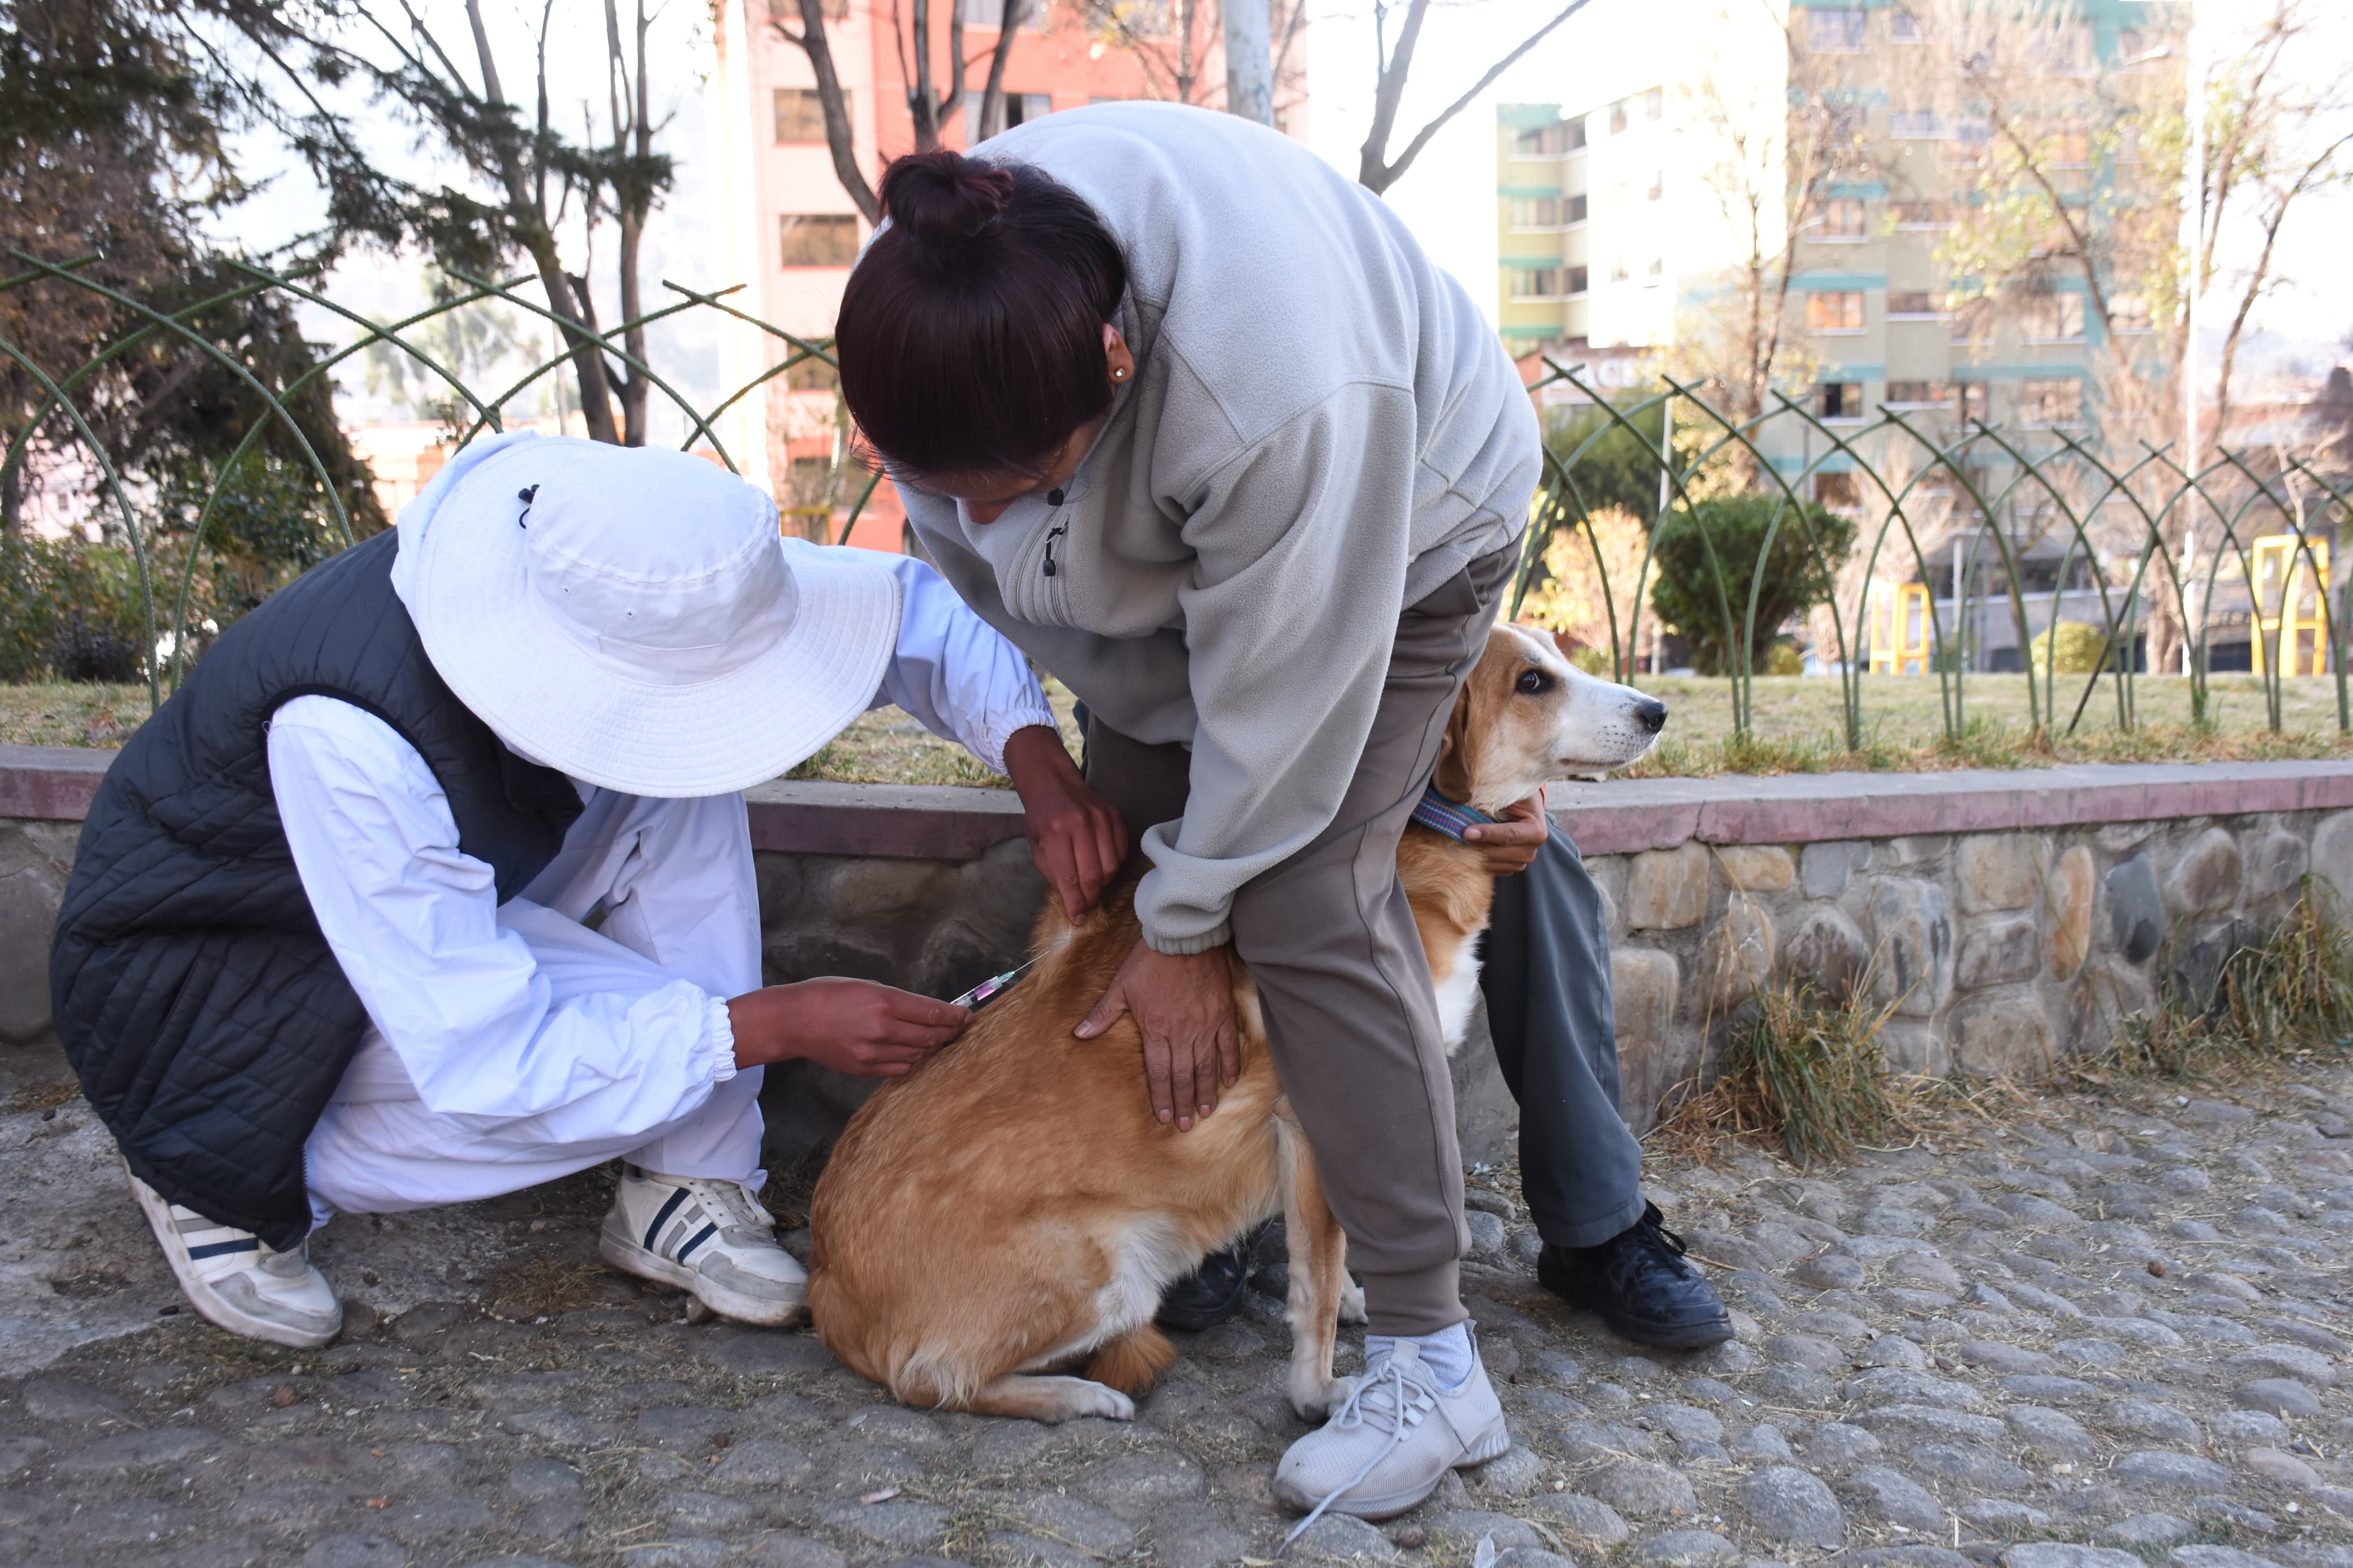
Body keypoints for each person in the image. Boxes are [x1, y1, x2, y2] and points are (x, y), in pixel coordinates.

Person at [832, 102, 1724, 1521]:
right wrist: (1111, 805)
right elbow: (1015, 588)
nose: (985, 520)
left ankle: (1432, 1363)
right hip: (1187, 556)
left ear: (1113, 366)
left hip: (1402, 523)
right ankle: (1202, 1204)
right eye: (955, 497)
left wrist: (1192, 930)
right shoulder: (935, 328)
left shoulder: (1277, 385)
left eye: (1025, 487)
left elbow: (1278, 716)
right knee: (1132, 872)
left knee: (1310, 890)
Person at [48, 430, 1122, 1349]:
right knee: (534, 1081)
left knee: (682, 771)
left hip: (403, 921)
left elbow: (896, 604)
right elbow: (483, 1056)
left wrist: (1037, 760)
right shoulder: (352, 742)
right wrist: (770, 1024)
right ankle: (204, 1178)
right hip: (216, 991)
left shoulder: (631, 580)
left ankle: (682, 1185)